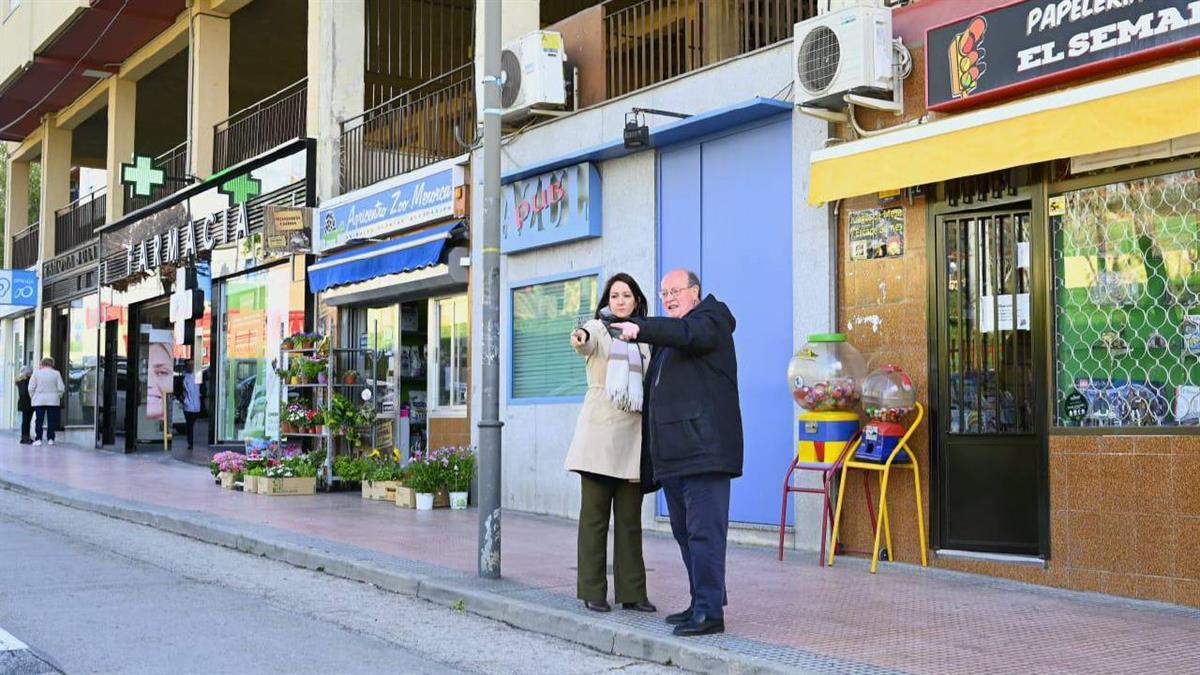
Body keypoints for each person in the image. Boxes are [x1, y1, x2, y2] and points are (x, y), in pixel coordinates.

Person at [611, 269, 742, 637]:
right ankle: (700, 602)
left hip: (705, 452)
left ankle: (710, 613)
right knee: (686, 535)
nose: (668, 297)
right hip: (677, 455)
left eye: (675, 291)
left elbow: (688, 334)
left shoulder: (710, 320)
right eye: (663, 292)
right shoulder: (671, 337)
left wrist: (640, 326)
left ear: (695, 292)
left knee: (704, 535)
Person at [564, 273, 657, 614]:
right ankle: (592, 590)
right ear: (607, 300)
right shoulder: (598, 328)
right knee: (594, 517)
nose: (620, 300)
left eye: (626, 295)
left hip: (633, 435)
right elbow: (583, 341)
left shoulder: (646, 336)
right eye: (615, 295)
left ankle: (633, 593)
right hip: (600, 436)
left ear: (636, 300)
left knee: (631, 521)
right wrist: (579, 337)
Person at [27, 357, 66, 447]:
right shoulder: (56, 374)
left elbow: (31, 387)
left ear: (42, 363)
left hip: (39, 400)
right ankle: (51, 439)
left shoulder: (36, 373)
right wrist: (58, 396)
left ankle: (39, 439)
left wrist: (33, 397)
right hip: (53, 400)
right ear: (52, 364)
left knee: (39, 421)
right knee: (51, 420)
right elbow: (61, 388)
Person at [178, 360, 202, 450]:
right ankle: (190, 443)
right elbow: (177, 391)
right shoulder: (183, 378)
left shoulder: (197, 377)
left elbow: (201, 389)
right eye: (189, 365)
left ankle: (192, 441)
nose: (191, 367)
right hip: (188, 406)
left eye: (192, 365)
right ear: (186, 366)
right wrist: (184, 400)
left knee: (193, 424)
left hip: (196, 405)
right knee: (190, 425)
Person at [15, 365, 33, 444]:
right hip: (27, 403)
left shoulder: (19, 380)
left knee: (25, 421)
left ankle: (25, 437)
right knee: (26, 421)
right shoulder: (26, 380)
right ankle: (25, 438)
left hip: (23, 403)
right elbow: (25, 392)